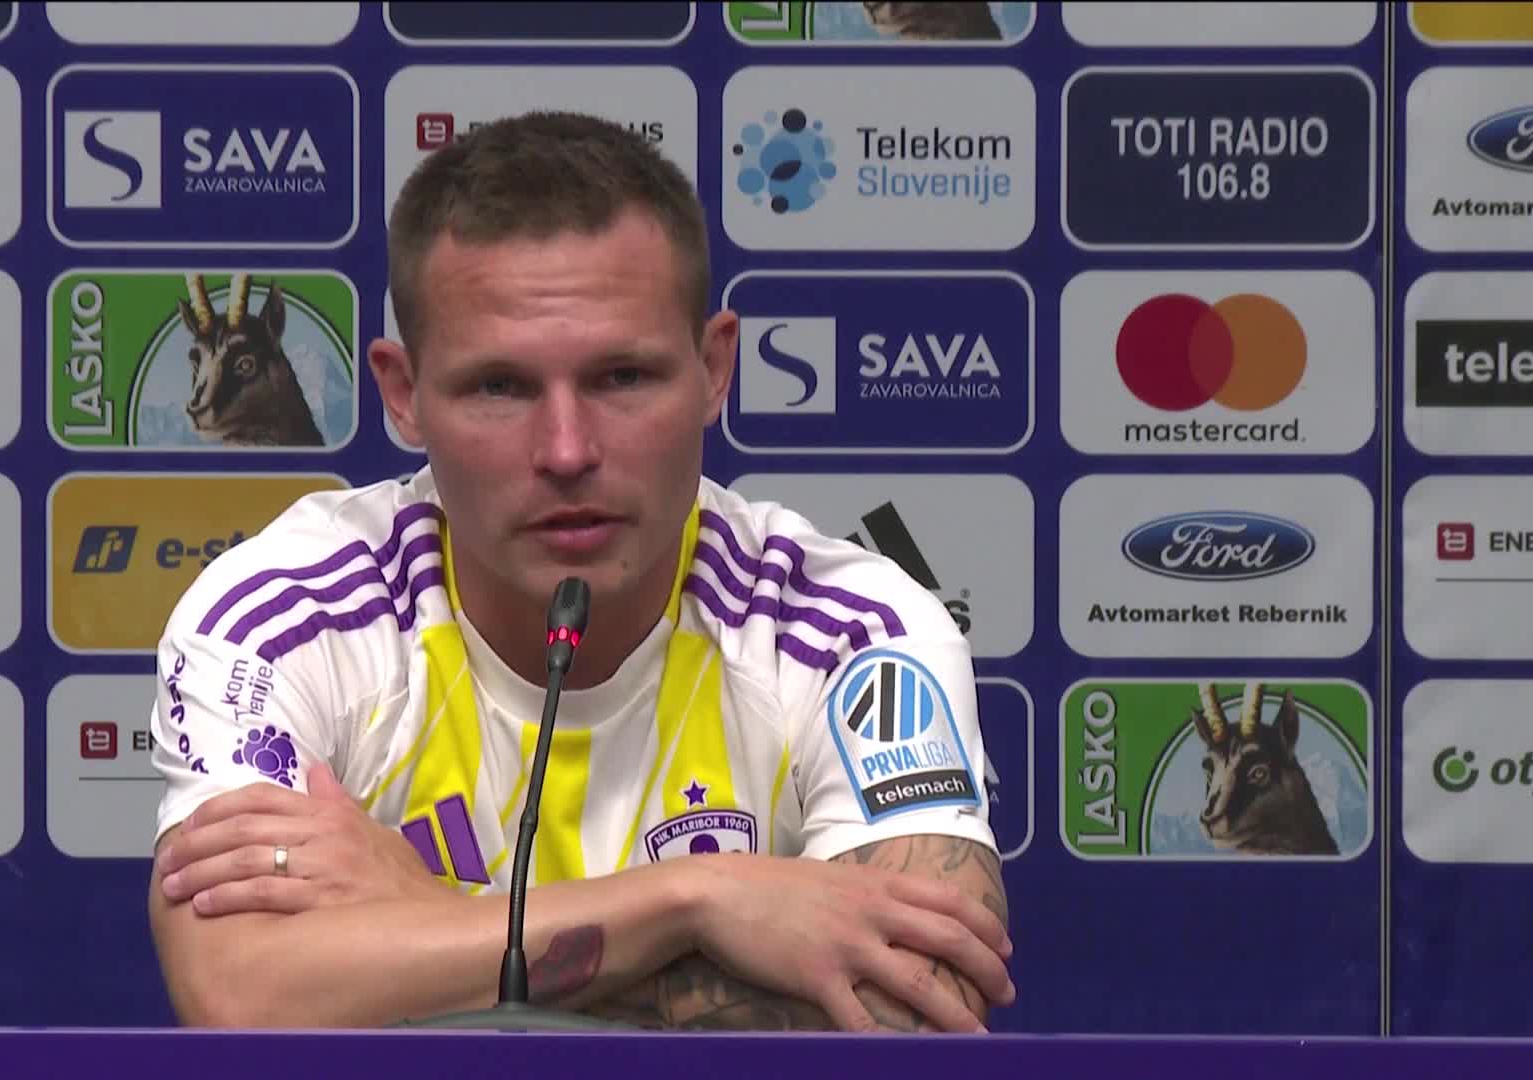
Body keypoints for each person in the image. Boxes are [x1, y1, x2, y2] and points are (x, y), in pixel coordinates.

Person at [143, 111, 1015, 1034]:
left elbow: (918, 1003)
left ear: (714, 367)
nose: (566, 450)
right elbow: (239, 992)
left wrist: (423, 924)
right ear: (404, 395)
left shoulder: (852, 631)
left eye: (622, 378)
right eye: (499, 387)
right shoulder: (283, 616)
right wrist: (697, 900)